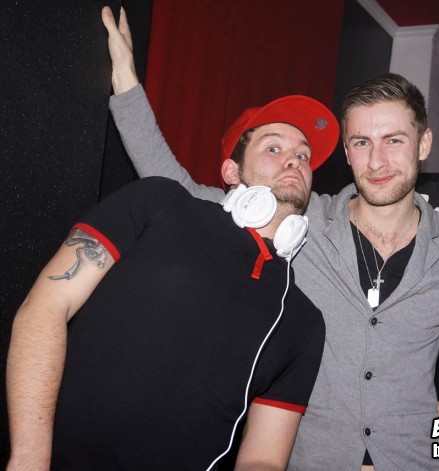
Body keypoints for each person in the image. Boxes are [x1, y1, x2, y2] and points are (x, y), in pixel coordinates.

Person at [6, 82, 340, 468]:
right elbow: (46, 306)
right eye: (273, 148)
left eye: (303, 155)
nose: (295, 161)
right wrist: (30, 458)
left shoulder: (303, 321)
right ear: (231, 171)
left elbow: (263, 459)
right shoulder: (159, 202)